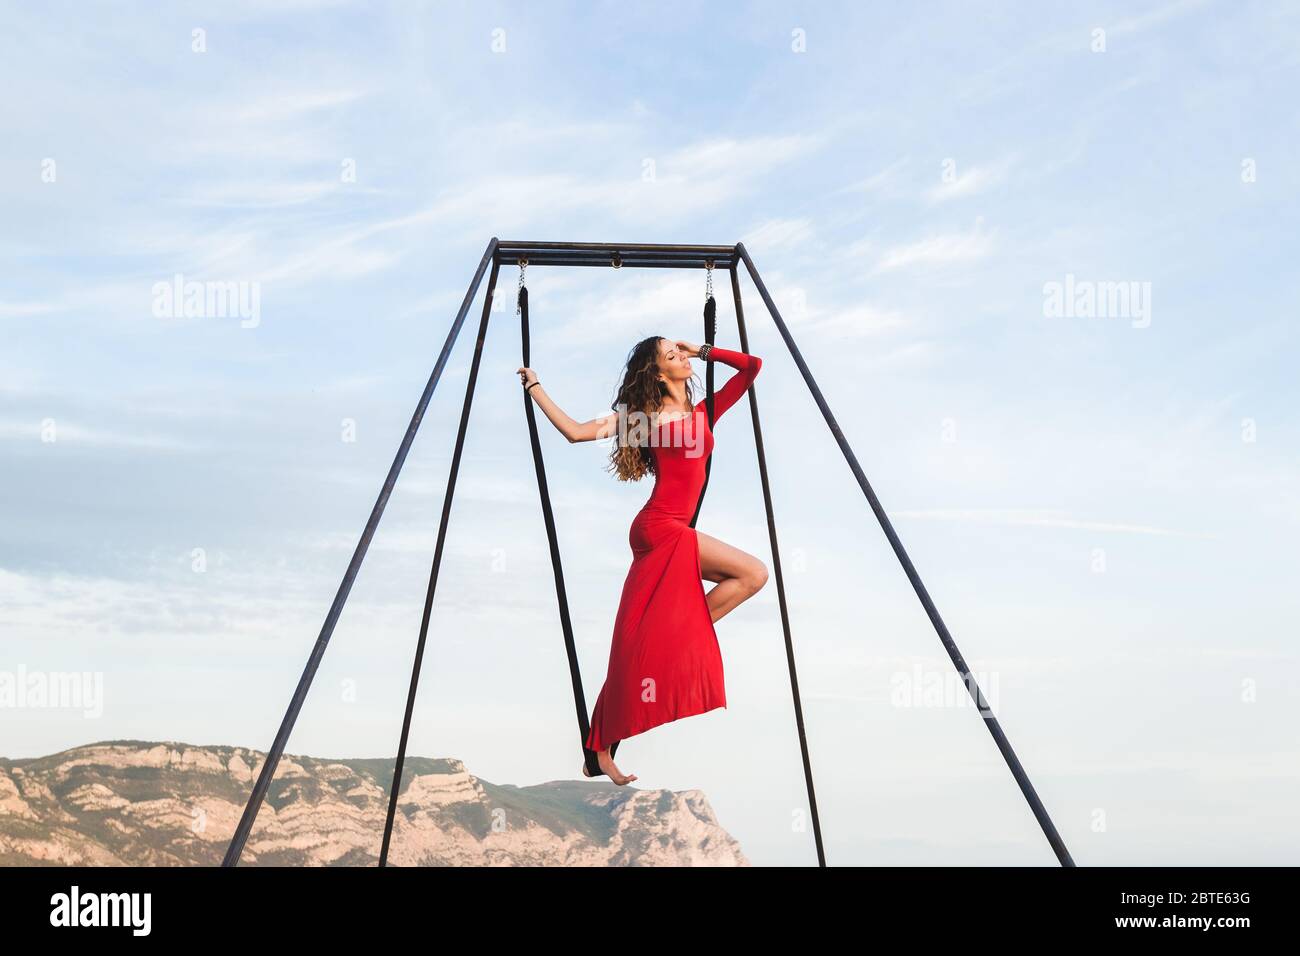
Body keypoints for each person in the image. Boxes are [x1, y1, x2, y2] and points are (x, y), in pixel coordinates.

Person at [517, 336, 767, 785]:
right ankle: (600, 745)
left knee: (648, 642)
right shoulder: (645, 421)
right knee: (753, 573)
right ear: (656, 373)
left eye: (680, 353)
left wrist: (703, 350)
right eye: (672, 355)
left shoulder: (703, 413)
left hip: (675, 531)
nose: (681, 358)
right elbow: (576, 432)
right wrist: (536, 388)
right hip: (659, 528)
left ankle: (600, 750)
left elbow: (752, 368)